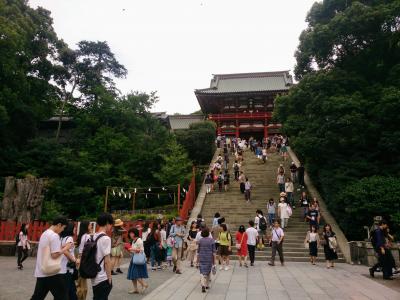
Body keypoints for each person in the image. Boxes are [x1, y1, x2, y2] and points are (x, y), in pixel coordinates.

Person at [31, 216, 72, 300]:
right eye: (63, 227)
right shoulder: (54, 236)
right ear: (59, 225)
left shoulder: (45, 233)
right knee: (62, 297)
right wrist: (66, 248)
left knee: (37, 297)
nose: (63, 230)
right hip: (52, 273)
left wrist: (62, 247)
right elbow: (55, 255)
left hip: (42, 270)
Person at [91, 213, 114, 300]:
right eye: (111, 224)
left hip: (94, 274)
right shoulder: (106, 238)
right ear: (107, 223)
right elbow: (107, 260)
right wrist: (109, 277)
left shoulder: (94, 236)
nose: (111, 226)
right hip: (102, 276)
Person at [127, 228, 149, 294]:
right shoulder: (133, 241)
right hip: (134, 258)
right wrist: (130, 250)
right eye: (130, 233)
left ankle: (144, 285)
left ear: (135, 233)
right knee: (133, 274)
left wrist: (131, 249)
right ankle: (135, 289)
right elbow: (134, 251)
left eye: (132, 233)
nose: (130, 234)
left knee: (135, 274)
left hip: (139, 259)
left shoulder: (139, 240)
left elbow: (140, 250)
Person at [60, 222, 78, 300]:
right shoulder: (69, 238)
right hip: (67, 268)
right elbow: (65, 251)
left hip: (61, 268)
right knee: (70, 292)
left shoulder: (61, 238)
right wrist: (75, 260)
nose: (75, 229)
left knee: (69, 290)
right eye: (74, 227)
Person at [76, 221, 93, 300]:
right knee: (82, 285)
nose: (91, 226)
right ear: (86, 226)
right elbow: (85, 250)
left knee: (80, 282)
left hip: (80, 259)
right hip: (83, 260)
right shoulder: (86, 236)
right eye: (90, 225)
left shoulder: (81, 235)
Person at [197, 228, 216, 293]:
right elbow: (214, 252)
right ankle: (207, 285)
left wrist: (197, 261)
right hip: (209, 257)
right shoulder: (212, 240)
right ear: (208, 233)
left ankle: (203, 285)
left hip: (201, 257)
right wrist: (214, 262)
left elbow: (198, 251)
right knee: (208, 271)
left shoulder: (200, 240)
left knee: (202, 271)